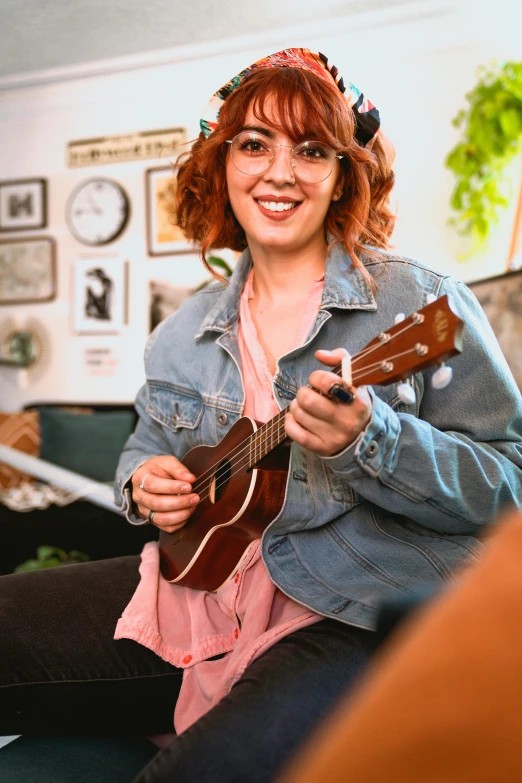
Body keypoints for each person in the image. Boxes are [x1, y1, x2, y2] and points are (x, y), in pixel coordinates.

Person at [0, 48, 521, 783]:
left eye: (312, 150)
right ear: (222, 165)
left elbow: (512, 491)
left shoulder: (422, 304)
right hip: (197, 589)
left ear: (346, 173)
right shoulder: (179, 333)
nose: (281, 172)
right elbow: (144, 445)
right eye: (254, 144)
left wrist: (376, 439)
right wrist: (143, 480)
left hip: (351, 608)